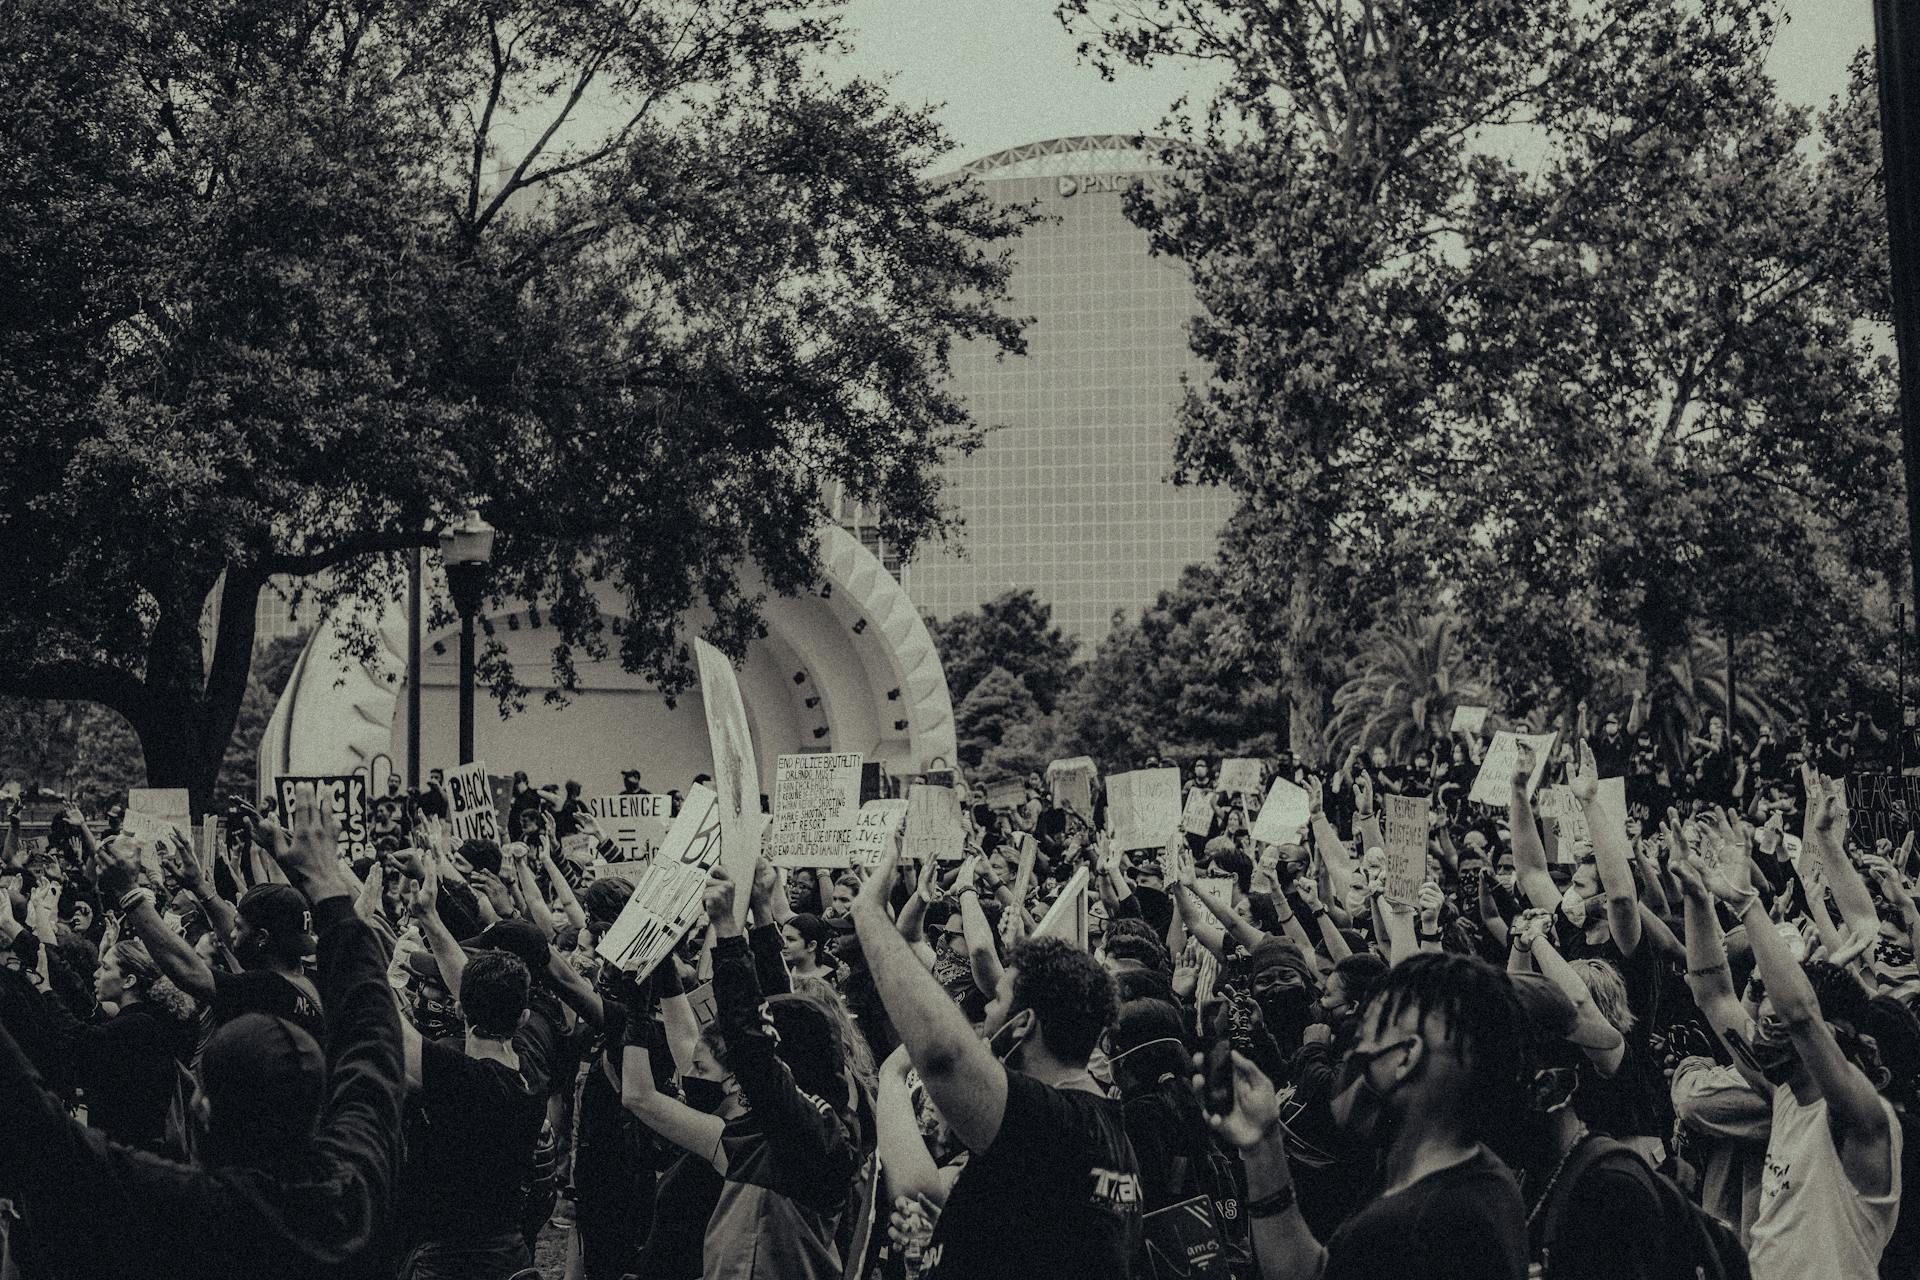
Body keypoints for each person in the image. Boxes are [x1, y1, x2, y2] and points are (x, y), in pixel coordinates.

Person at [0, 783, 405, 1278]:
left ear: (203, 1107)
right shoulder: (356, 1185)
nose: (231, 930)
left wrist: (131, 894)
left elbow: (45, 1136)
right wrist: (328, 889)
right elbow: (373, 1036)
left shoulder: (194, 1212)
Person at [852, 837, 1141, 1280]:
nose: (986, 1010)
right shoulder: (1096, 1124)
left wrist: (870, 915)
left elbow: (942, 1057)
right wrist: (949, 1232)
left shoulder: (1054, 1122)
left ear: (1022, 1025)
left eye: (997, 999)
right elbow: (928, 1193)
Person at [1202, 951, 1533, 1280]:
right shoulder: (1483, 1176)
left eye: (1367, 1035)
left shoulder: (1410, 1223)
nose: (1356, 1052)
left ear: (1406, 1058)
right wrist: (1263, 1144)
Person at [1674, 806, 1902, 1280]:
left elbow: (1801, 1014)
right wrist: (1696, 899)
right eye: (1765, 1019)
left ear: (1828, 1035)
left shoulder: (1863, 1120)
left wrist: (1747, 903)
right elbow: (1714, 996)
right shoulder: (1783, 1097)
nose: (1763, 1030)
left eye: (1780, 1025)